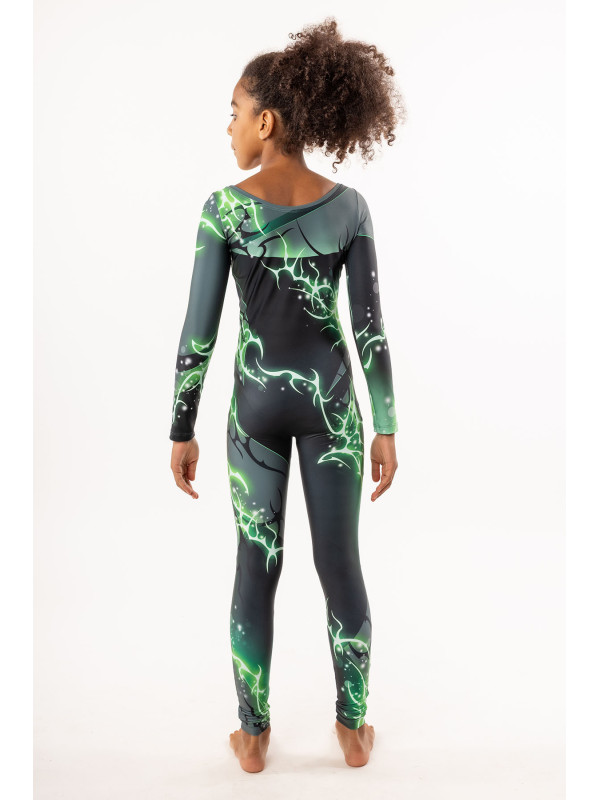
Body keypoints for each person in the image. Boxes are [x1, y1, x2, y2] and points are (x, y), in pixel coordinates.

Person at [169, 17, 406, 772]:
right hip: (332, 405)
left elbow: (198, 335)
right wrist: (386, 427)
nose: (230, 127)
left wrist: (181, 427)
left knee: (255, 564)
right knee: (340, 562)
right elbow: (370, 331)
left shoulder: (224, 210)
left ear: (266, 121)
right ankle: (353, 728)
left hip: (255, 408)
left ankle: (253, 735)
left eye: (235, 112)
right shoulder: (350, 207)